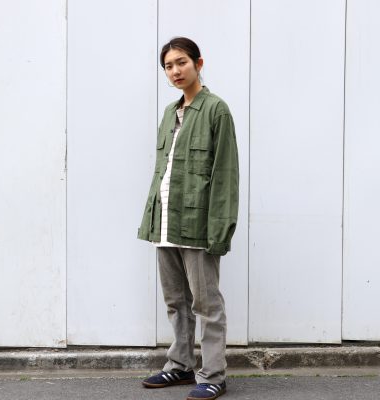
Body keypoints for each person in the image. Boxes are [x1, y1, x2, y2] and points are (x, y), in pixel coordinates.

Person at [137, 37, 239, 400]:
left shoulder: (216, 110)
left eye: (181, 62)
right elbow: (162, 171)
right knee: (175, 302)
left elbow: (225, 174)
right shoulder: (170, 113)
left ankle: (213, 375)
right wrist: (152, 218)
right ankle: (180, 365)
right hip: (165, 222)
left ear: (198, 63)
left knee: (206, 304)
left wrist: (220, 229)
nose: (175, 71)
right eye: (168, 66)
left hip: (197, 226)